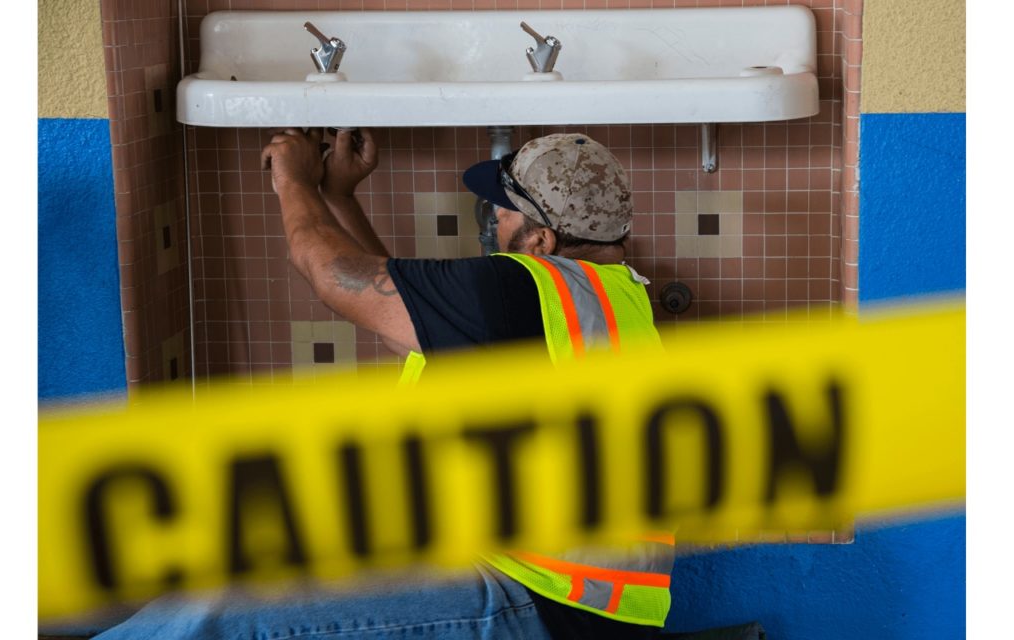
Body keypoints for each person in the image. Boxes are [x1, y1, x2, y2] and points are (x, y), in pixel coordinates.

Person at [94, 128, 672, 639]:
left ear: (543, 240)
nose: (494, 219)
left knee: (217, 613)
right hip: (561, 591)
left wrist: (292, 180)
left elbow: (331, 273)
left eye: (505, 211)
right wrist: (338, 196)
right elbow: (409, 322)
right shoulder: (611, 300)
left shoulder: (522, 289)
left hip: (545, 602)